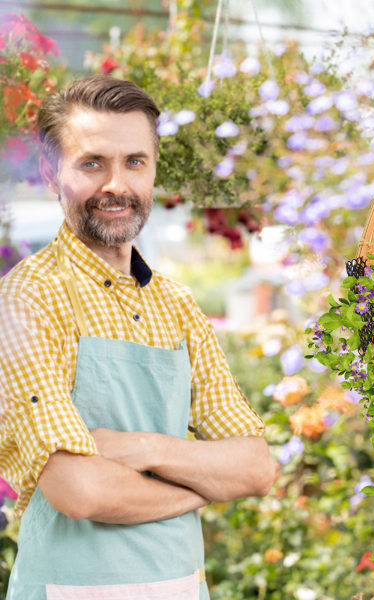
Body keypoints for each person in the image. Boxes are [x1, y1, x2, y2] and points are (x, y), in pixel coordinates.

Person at [0, 74, 276, 599]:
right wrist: (202, 484)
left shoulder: (177, 304)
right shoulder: (25, 301)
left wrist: (143, 448)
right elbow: (79, 491)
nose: (116, 185)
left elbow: (255, 467)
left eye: (134, 162)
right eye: (91, 163)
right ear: (48, 172)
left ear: (152, 170)